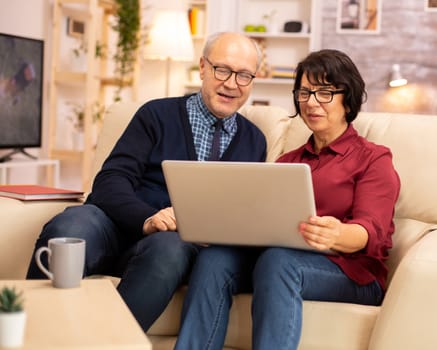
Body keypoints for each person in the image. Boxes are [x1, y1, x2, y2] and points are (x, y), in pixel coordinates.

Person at [26, 31, 266, 332]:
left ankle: (105, 343)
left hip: (170, 246)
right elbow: (110, 181)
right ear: (203, 67)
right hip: (114, 224)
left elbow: (243, 213)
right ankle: (28, 335)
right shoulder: (156, 114)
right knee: (69, 229)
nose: (231, 83)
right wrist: (148, 218)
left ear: (253, 81)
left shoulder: (255, 141)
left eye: (244, 75)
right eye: (222, 70)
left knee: (169, 249)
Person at [173, 49, 401, 350]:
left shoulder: (373, 158)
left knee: (278, 261)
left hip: (351, 271)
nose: (311, 102)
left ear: (349, 97)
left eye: (324, 93)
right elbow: (262, 223)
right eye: (304, 92)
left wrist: (338, 234)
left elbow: (371, 231)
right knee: (215, 259)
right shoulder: (288, 162)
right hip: (280, 258)